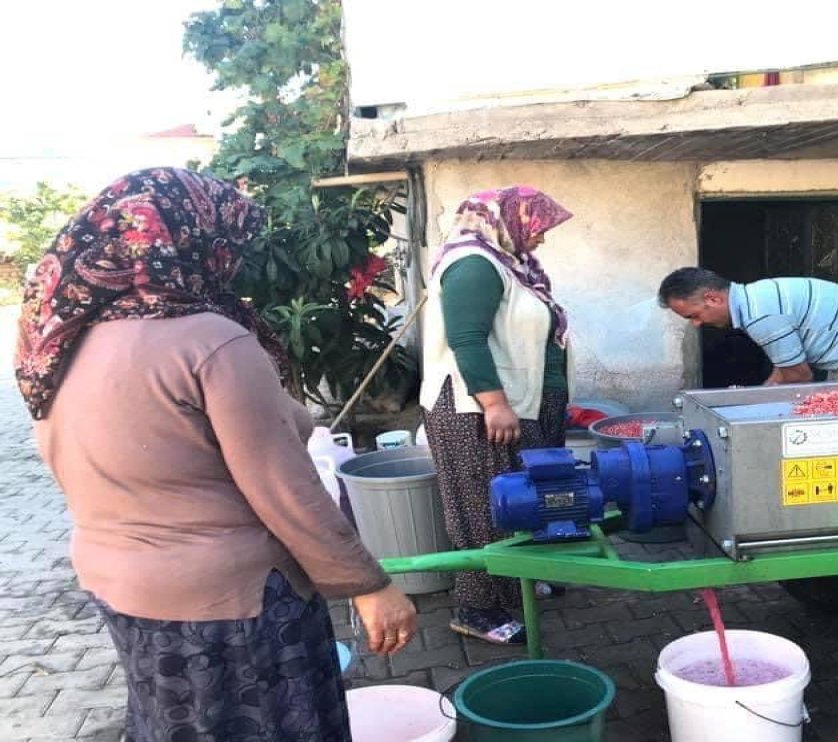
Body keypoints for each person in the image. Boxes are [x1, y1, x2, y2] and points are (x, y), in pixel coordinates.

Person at [16, 168, 417, 741]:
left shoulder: (57, 341)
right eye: (231, 242)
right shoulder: (209, 340)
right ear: (195, 239)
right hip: (233, 602)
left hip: (121, 588)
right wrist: (368, 585)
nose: (236, 258)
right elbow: (284, 489)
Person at [421, 186, 574, 645]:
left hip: (518, 405)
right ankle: (476, 608)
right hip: (478, 411)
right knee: (483, 508)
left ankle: (514, 582)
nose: (542, 239)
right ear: (508, 219)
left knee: (523, 501)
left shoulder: (512, 266)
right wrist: (495, 403)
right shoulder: (474, 264)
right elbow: (467, 338)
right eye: (539, 228)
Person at [658, 267, 838, 386]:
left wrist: (754, 405)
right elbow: (786, 363)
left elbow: (798, 376)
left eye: (693, 315)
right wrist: (765, 391)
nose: (696, 324)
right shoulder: (758, 295)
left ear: (712, 298)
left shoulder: (760, 316)